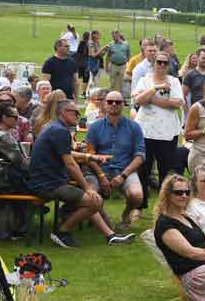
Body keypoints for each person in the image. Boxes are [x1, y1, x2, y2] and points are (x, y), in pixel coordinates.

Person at [29, 99, 133, 248]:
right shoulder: (60, 131)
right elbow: (70, 164)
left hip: (48, 181)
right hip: (48, 185)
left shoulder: (55, 128)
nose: (79, 116)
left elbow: (67, 153)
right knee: (94, 200)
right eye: (75, 112)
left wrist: (89, 157)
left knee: (94, 200)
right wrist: (87, 188)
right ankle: (62, 232)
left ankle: (110, 236)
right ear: (64, 113)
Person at [85, 91, 146, 230]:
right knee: (91, 196)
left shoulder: (134, 127)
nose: (114, 104)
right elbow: (89, 155)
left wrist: (123, 175)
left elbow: (140, 156)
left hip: (125, 170)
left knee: (137, 195)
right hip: (98, 171)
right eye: (110, 101)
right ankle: (105, 219)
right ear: (104, 104)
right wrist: (101, 175)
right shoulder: (94, 127)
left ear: (123, 105)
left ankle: (126, 213)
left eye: (118, 102)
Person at [133, 50, 183, 216]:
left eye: (165, 63)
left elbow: (177, 103)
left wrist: (152, 99)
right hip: (146, 131)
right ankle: (139, 207)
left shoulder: (174, 81)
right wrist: (156, 88)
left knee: (166, 171)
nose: (162, 65)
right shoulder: (144, 80)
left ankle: (165, 208)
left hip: (167, 133)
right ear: (153, 64)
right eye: (159, 62)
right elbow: (138, 101)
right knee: (143, 170)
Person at [106, 30, 130, 95]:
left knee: (122, 83)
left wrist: (128, 65)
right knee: (112, 82)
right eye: (112, 36)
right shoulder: (110, 44)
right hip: (113, 65)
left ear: (118, 35)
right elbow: (108, 56)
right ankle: (111, 96)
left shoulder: (126, 44)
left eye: (115, 36)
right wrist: (106, 66)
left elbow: (128, 55)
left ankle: (122, 98)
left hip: (123, 65)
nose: (113, 38)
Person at [74, 31, 90, 99]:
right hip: (83, 63)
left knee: (82, 78)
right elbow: (83, 53)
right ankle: (83, 92)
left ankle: (83, 92)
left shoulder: (82, 43)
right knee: (85, 78)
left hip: (80, 63)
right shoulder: (84, 44)